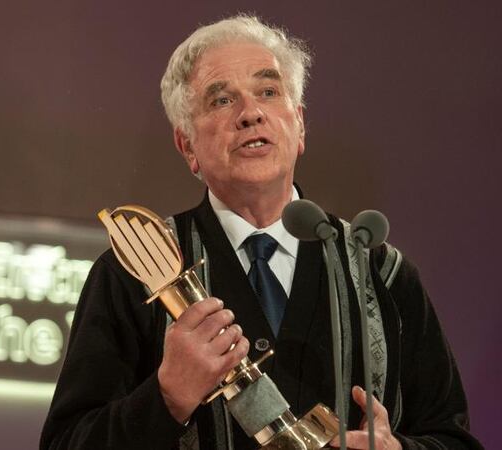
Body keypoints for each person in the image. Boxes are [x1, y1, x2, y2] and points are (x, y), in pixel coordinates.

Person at [40, 15, 481, 450]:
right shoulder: (136, 271)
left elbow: (453, 439)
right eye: (221, 100)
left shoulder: (382, 273)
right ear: (187, 145)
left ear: (300, 124)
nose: (251, 114)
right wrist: (166, 396)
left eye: (268, 92)